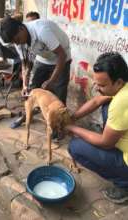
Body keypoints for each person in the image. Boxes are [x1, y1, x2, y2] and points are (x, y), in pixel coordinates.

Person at [67, 52, 128, 204]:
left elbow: (105, 142)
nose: (96, 87)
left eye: (102, 85)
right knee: (105, 103)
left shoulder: (121, 101)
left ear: (118, 82)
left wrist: (73, 128)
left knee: (75, 146)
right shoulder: (122, 87)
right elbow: (96, 101)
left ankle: (124, 184)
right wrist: (72, 118)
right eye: (96, 82)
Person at [0, 16, 71, 129]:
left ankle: (59, 127)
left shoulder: (42, 31)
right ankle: (27, 115)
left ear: (21, 28)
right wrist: (24, 85)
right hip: (42, 58)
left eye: (17, 40)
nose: (17, 44)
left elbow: (62, 55)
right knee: (31, 90)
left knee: (59, 94)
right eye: (14, 42)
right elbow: (25, 64)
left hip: (61, 58)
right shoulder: (18, 41)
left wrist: (51, 80)